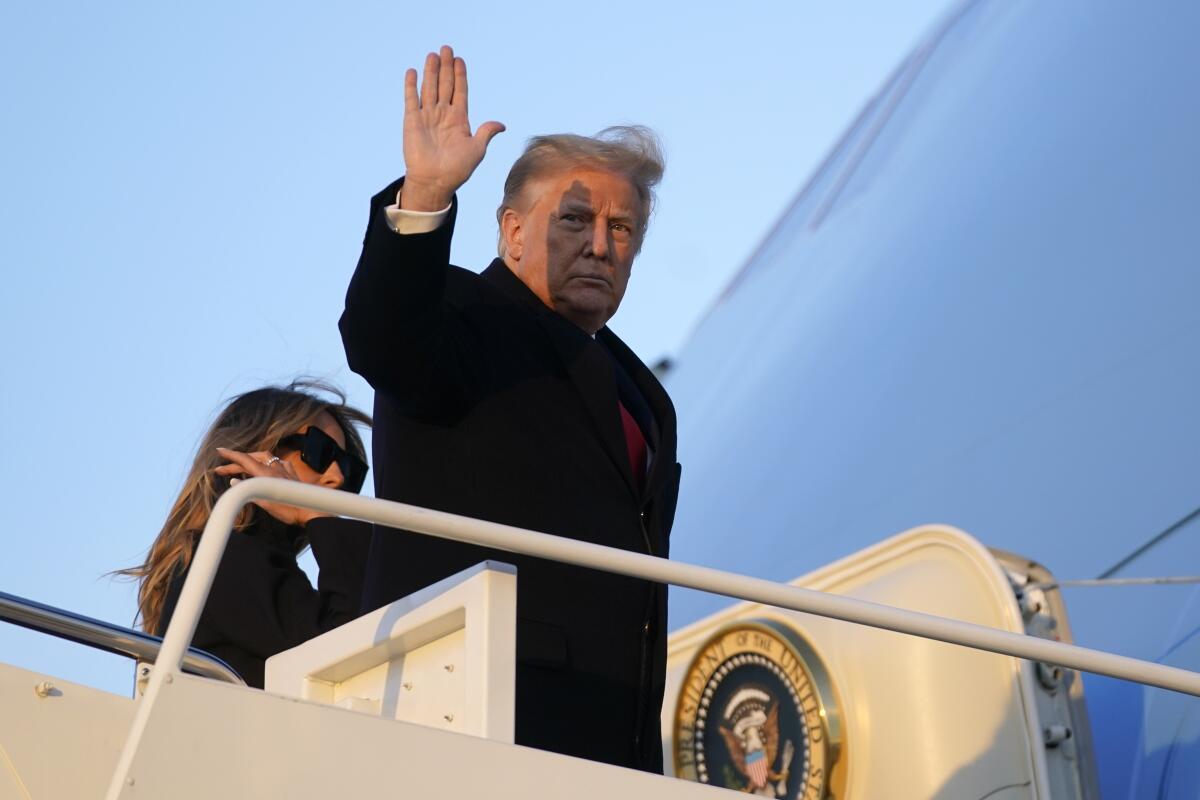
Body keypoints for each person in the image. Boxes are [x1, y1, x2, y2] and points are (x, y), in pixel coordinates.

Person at [339, 46, 681, 772]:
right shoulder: (464, 314)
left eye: (621, 230)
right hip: (477, 716)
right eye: (575, 219)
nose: (600, 246)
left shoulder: (636, 387)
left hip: (611, 739)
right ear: (513, 231)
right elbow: (383, 337)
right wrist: (426, 195)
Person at [119, 381, 373, 689]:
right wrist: (317, 517)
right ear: (258, 451)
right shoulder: (223, 560)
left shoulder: (230, 559)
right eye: (320, 451)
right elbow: (355, 650)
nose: (337, 476)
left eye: (351, 469)